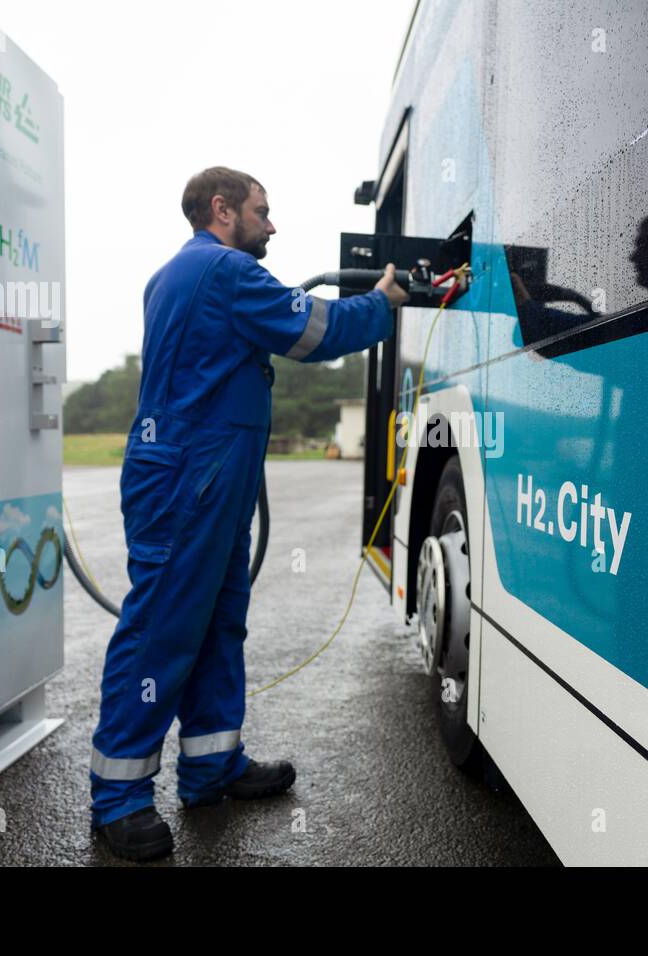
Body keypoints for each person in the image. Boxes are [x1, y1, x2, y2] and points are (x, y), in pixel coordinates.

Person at [89, 166, 408, 861]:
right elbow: (317, 330)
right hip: (188, 478)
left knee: (216, 623)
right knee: (162, 632)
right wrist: (385, 301)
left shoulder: (178, 274)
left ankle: (210, 765)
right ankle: (118, 796)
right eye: (264, 211)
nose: (273, 224)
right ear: (221, 208)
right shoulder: (225, 271)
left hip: (203, 474)